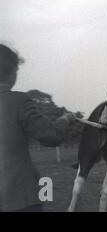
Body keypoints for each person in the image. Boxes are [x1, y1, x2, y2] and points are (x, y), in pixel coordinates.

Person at [0, 44, 75, 212]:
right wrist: (65, 119)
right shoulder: (19, 101)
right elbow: (52, 136)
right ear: (12, 72)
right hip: (19, 199)